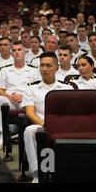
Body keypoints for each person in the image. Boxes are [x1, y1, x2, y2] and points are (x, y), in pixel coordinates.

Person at [22, 52, 73, 183]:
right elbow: (29, 112)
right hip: (41, 124)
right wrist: (45, 124)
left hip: (63, 126)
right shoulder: (31, 88)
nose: (44, 69)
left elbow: (70, 113)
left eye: (48, 65)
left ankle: (67, 170)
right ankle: (38, 174)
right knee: (30, 131)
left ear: (56, 68)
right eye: (42, 65)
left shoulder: (67, 88)